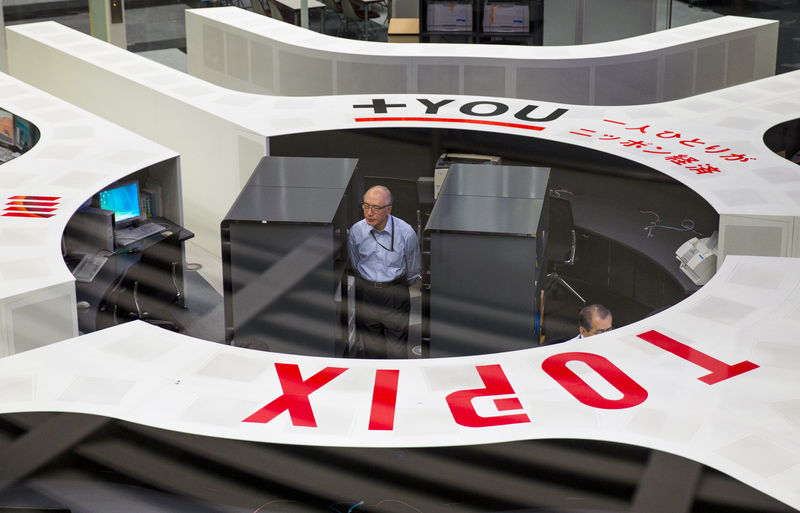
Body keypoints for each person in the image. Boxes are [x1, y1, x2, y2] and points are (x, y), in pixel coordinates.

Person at [348, 186, 421, 358]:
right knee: (371, 348)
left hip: (395, 293)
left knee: (397, 349)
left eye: (376, 207)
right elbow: (355, 262)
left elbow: (413, 269)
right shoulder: (356, 231)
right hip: (367, 292)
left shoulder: (406, 233)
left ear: (388, 209)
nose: (369, 213)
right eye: (366, 206)